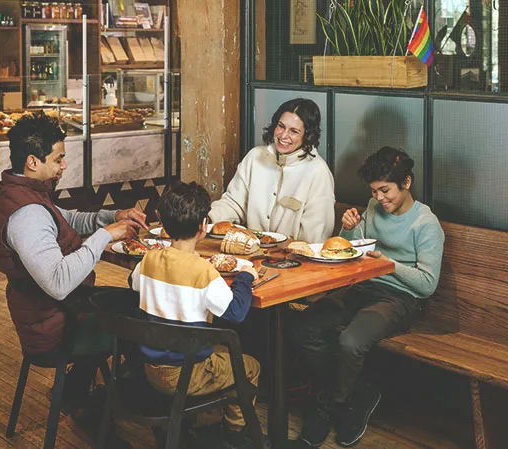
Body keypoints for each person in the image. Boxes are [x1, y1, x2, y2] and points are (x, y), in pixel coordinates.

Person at [0, 112, 146, 447]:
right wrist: (105, 236)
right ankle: (107, 412)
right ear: (33, 161)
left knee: (134, 305)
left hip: (52, 310)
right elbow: (58, 282)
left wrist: (113, 217)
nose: (64, 165)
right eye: (58, 158)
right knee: (140, 321)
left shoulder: (21, 191)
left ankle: (79, 394)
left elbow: (63, 219)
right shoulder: (26, 214)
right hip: (53, 324)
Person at [289, 147, 445, 448]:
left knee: (350, 341)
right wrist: (347, 230)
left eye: (385, 190)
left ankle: (330, 405)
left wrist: (388, 263)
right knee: (303, 326)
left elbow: (427, 284)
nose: (380, 198)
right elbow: (352, 250)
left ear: (407, 183)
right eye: (374, 191)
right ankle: (358, 393)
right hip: (362, 286)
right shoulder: (374, 206)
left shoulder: (425, 224)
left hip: (400, 299)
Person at [129, 181, 264, 449]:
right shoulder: (203, 272)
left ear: (163, 225)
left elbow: (134, 284)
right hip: (187, 374)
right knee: (249, 367)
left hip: (151, 368)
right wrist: (245, 277)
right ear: (204, 226)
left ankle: (206, 427)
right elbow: (236, 313)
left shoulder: (148, 260)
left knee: (216, 350)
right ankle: (236, 434)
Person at [209, 98, 335, 243]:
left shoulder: (318, 172)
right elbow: (234, 203)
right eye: (281, 126)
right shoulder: (254, 157)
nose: (283, 136)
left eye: (294, 131)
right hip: (250, 250)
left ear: (307, 136)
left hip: (293, 259)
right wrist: (208, 218)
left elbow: (315, 237)